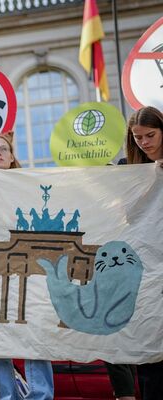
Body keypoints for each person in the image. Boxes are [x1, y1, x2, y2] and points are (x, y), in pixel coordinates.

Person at [0, 134, 52, 400]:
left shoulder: (28, 188)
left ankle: (41, 395)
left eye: (4, 149)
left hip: (27, 272)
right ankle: (7, 396)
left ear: (11, 157)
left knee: (33, 334)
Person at [114, 105, 163, 400]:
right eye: (138, 137)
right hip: (146, 273)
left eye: (150, 135)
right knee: (150, 354)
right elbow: (127, 215)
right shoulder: (126, 168)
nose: (144, 142)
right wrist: (149, 181)